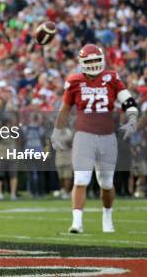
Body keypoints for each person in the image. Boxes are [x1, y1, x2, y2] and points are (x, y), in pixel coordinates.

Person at [51, 44, 139, 233]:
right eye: (88, 61)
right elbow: (65, 109)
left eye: (95, 60)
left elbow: (127, 100)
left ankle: (107, 217)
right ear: (82, 63)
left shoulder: (112, 77)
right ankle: (77, 222)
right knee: (81, 179)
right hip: (84, 135)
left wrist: (132, 116)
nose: (92, 64)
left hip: (107, 137)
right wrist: (57, 130)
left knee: (106, 183)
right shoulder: (75, 81)